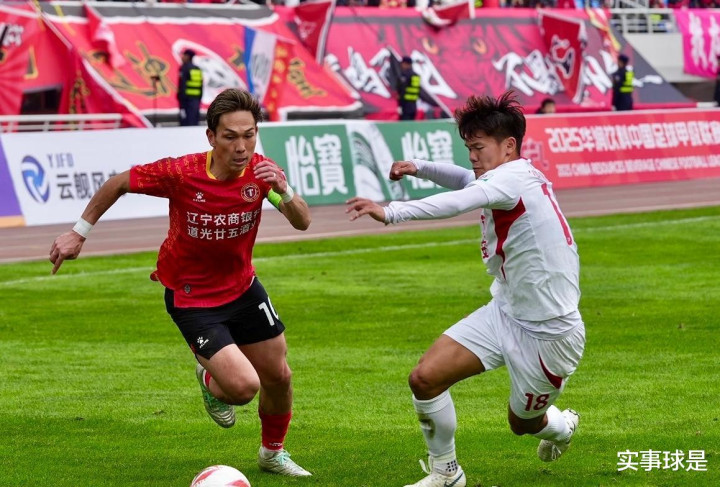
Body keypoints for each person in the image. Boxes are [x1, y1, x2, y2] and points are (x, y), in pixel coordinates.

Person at [49, 88, 313, 477]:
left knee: (280, 376)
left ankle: (272, 454)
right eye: (230, 136)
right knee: (243, 388)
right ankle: (209, 378)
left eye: (249, 135)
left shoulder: (261, 175)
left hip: (243, 288)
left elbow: (302, 221)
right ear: (211, 136)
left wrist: (284, 189)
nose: (242, 147)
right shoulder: (181, 173)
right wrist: (78, 232)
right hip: (193, 299)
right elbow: (119, 182)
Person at [346, 91, 585, 487]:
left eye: (478, 148)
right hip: (506, 311)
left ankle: (562, 428)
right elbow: (467, 181)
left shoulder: (510, 179)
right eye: (469, 149)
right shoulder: (510, 174)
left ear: (508, 146)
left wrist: (390, 212)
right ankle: (446, 473)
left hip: (550, 332)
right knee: (425, 379)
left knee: (522, 424)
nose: (472, 157)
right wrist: (420, 168)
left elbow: (458, 201)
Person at [178, 49, 204, 126]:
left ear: (188, 56)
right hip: (196, 99)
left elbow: (182, 85)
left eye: (183, 55)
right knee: (194, 120)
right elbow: (200, 85)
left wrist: (180, 97)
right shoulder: (197, 69)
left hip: (186, 100)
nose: (182, 57)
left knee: (185, 122)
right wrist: (199, 98)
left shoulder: (184, 68)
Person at [397, 55, 421, 121]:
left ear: (406, 64)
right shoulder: (416, 75)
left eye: (403, 63)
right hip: (414, 105)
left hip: (405, 105)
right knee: (411, 123)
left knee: (404, 124)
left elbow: (402, 90)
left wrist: (400, 105)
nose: (401, 65)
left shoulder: (404, 75)